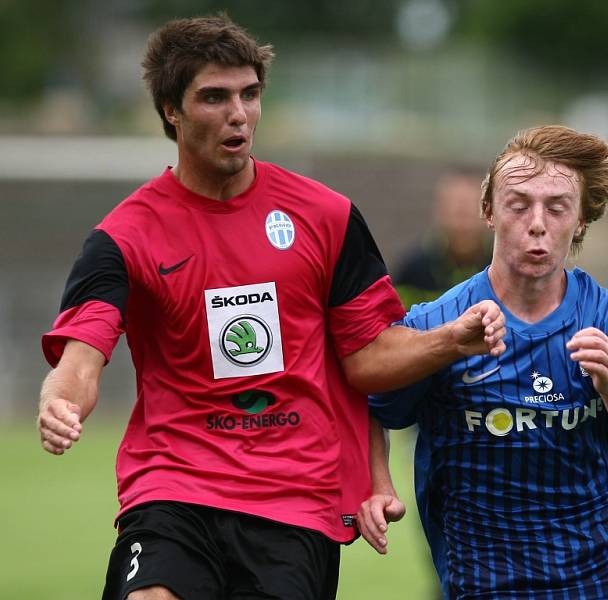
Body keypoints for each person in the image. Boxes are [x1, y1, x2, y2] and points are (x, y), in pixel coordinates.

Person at [36, 15, 506, 600]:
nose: (239, 113)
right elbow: (82, 354)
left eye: (249, 94)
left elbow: (365, 360)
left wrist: (449, 341)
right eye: (214, 97)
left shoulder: (326, 217)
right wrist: (60, 401)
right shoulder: (123, 237)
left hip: (293, 500)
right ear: (170, 110)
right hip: (172, 486)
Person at [360, 125, 608, 599]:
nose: (537, 222)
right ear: (489, 213)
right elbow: (374, 400)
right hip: (490, 573)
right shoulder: (434, 321)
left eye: (557, 207)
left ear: (580, 220)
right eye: (519, 205)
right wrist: (379, 484)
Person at [393, 167, 493, 307]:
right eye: (455, 209)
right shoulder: (413, 268)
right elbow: (395, 322)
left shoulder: (503, 265)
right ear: (439, 210)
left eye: (469, 209)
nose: (462, 222)